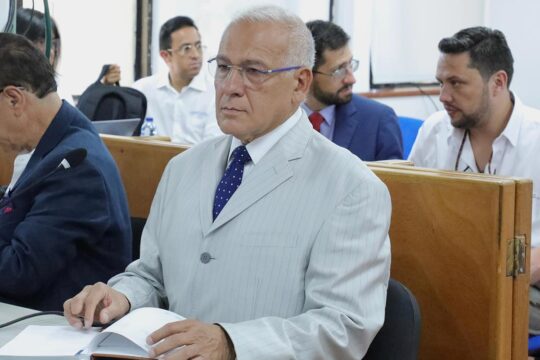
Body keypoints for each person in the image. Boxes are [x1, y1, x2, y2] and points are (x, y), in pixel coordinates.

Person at [64, 5, 391, 359]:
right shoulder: (183, 167)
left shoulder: (350, 187)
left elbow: (342, 327)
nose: (231, 87)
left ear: (300, 83)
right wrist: (121, 297)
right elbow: (152, 276)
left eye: (254, 71)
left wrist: (231, 343)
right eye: (223, 68)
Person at [408, 26, 540, 332]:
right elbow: (412, 213)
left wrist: (518, 270)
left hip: (526, 287)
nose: (443, 96)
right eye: (441, 83)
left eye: (456, 83)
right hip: (451, 279)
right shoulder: (435, 131)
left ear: (498, 82)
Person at [0, 33, 132, 311]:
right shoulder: (57, 140)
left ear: (13, 99)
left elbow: (18, 272)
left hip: (49, 331)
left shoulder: (76, 165)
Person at [303, 20, 403, 161]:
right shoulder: (277, 117)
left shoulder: (378, 121)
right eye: (339, 70)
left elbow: (392, 183)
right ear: (307, 75)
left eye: (350, 65)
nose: (351, 79)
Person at [132, 16, 222, 144]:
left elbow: (214, 146)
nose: (196, 55)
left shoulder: (215, 92)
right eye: (186, 48)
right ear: (166, 56)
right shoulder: (142, 91)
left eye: (198, 46)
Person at [16, 8, 122, 97]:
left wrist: (102, 84)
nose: (51, 51)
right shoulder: (11, 92)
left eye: (52, 43)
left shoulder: (57, 86)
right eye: (41, 42)